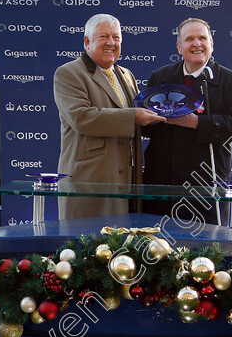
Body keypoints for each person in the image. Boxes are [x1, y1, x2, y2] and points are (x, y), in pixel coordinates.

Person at [53, 13, 164, 220]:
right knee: (86, 249)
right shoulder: (68, 73)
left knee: (123, 249)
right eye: (104, 37)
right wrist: (133, 117)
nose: (111, 43)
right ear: (87, 41)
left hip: (126, 186)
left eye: (116, 37)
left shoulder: (126, 74)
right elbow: (81, 117)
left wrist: (169, 113)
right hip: (89, 185)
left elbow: (139, 118)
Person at [142, 18, 232, 226]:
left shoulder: (230, 81)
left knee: (205, 254)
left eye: (202, 38)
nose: (196, 44)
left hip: (205, 187)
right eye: (189, 39)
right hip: (161, 186)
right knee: (156, 249)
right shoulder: (160, 77)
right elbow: (146, 126)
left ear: (211, 44)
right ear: (179, 47)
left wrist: (195, 122)